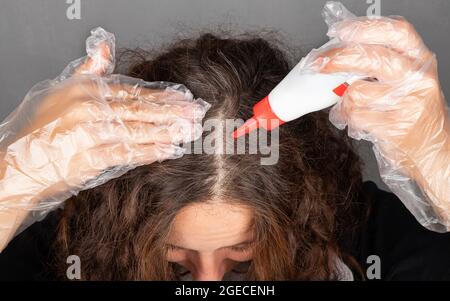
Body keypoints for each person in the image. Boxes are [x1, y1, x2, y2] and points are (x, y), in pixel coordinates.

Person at [0, 17, 449, 281]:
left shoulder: (374, 242)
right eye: (175, 269)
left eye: (242, 267)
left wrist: (441, 166)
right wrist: (11, 181)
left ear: (305, 217)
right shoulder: (74, 250)